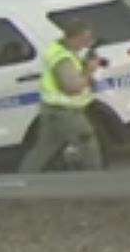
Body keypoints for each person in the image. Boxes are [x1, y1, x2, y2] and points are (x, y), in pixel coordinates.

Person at [18, 18, 104, 172]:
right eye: (84, 39)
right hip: (66, 112)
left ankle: (25, 179)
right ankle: (95, 182)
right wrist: (89, 70)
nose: (86, 43)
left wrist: (84, 67)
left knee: (44, 149)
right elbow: (72, 87)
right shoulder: (62, 58)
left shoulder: (63, 51)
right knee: (87, 146)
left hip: (53, 110)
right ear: (75, 37)